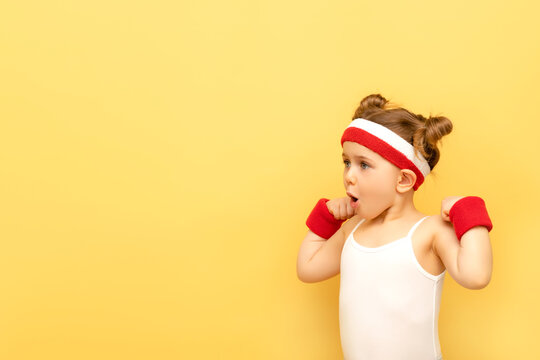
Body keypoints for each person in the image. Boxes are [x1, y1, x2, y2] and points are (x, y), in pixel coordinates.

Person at [296, 94, 494, 360]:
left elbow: (476, 275)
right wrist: (327, 218)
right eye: (346, 162)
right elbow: (307, 268)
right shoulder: (352, 229)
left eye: (363, 165)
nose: (349, 176)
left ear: (403, 179)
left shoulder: (430, 231)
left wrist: (469, 212)